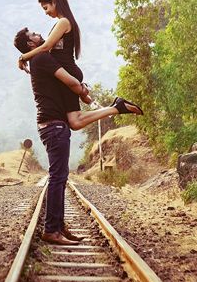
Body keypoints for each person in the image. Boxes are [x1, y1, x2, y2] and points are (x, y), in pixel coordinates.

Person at [13, 27, 143, 246]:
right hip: (53, 126)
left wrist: (84, 94)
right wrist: (82, 90)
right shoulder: (42, 58)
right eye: (34, 34)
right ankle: (52, 230)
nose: (39, 34)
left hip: (53, 125)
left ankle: (58, 226)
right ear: (30, 44)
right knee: (57, 177)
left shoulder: (39, 60)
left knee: (60, 177)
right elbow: (70, 82)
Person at [17, 0, 83, 83]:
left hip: (69, 73)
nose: (46, 12)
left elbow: (45, 47)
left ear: (54, 3)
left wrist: (23, 57)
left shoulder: (63, 22)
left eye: (46, 8)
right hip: (66, 72)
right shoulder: (62, 22)